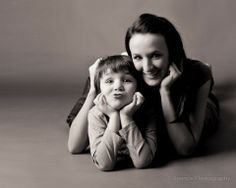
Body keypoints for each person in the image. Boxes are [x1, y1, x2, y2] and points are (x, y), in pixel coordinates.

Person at [67, 13, 219, 160]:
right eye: (138, 57)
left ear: (171, 52)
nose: (147, 67)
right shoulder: (123, 76)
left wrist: (165, 92)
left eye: (156, 55)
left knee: (209, 111)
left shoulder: (197, 74)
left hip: (190, 97)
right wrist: (93, 89)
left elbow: (185, 148)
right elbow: (75, 146)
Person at [88, 55, 157, 171]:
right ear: (100, 88)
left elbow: (142, 161)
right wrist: (114, 117)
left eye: (126, 80)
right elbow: (104, 164)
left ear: (137, 87)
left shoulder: (148, 112)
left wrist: (126, 116)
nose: (118, 87)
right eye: (109, 81)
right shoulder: (95, 114)